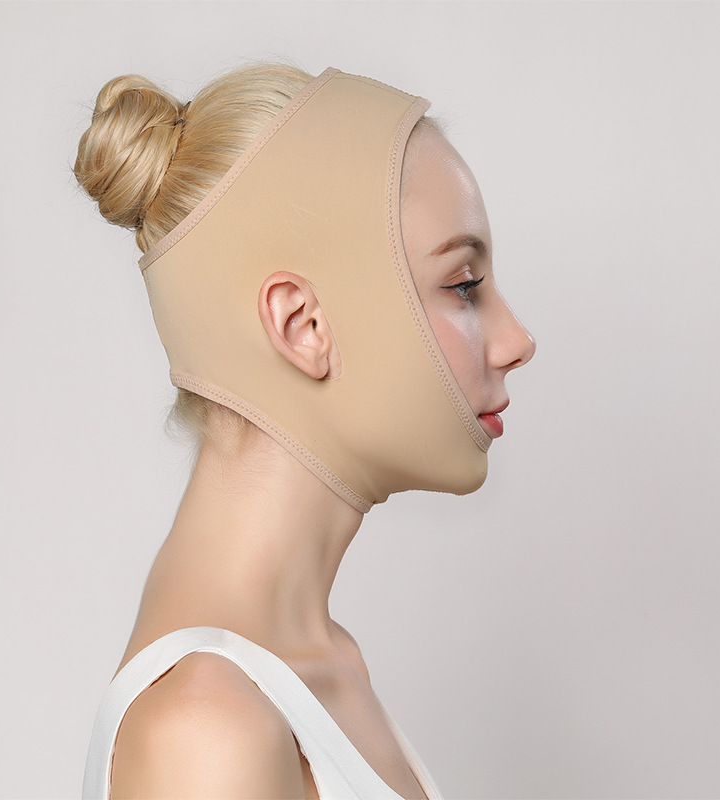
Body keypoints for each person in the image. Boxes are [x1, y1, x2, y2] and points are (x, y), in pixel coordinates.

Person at [74, 63, 535, 800]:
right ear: (303, 326)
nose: (516, 341)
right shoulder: (207, 729)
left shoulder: (325, 668)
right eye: (463, 286)